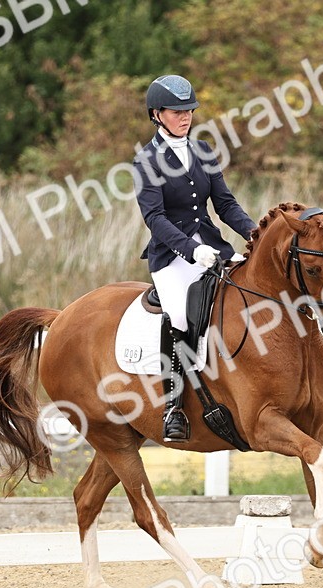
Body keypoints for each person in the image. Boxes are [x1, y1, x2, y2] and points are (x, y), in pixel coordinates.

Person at [133, 74, 257, 443]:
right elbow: (154, 218)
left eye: (188, 111)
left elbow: (224, 204)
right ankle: (174, 407)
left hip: (213, 246)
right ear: (157, 114)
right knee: (180, 316)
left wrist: (255, 233)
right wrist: (190, 249)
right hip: (172, 257)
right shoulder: (146, 160)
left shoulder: (203, 151)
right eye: (176, 112)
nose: (185, 117)